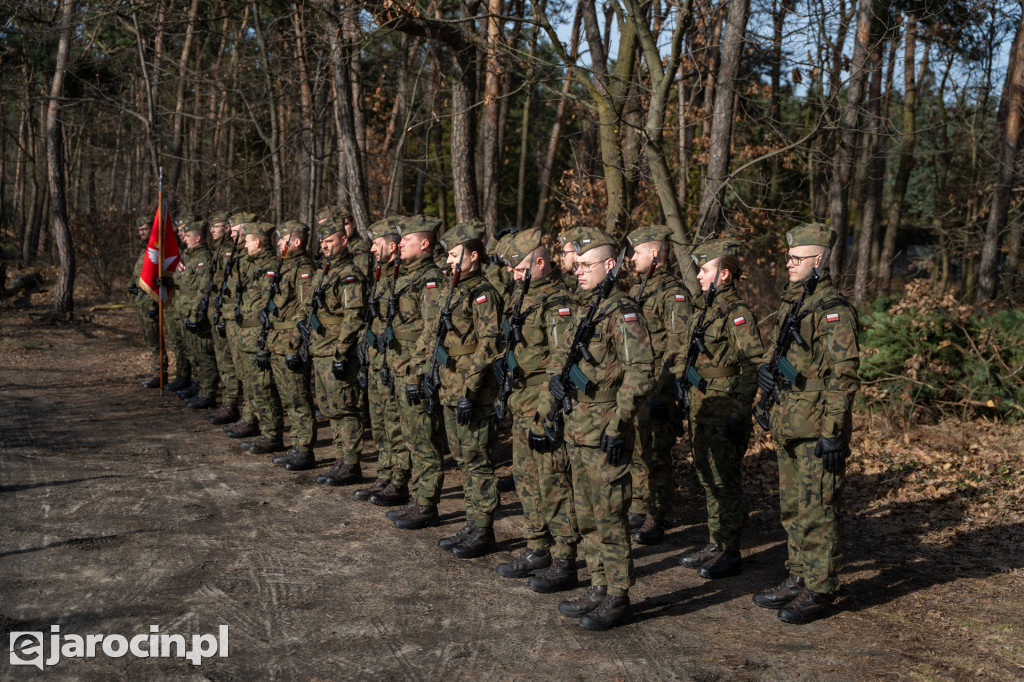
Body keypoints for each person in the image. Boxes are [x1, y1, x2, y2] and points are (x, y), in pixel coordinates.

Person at [539, 228, 654, 631]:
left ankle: (619, 596)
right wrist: (556, 383)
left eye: (587, 265)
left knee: (610, 516)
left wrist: (619, 425)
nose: (579, 271)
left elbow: (640, 372)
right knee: (586, 515)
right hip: (578, 425)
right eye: (577, 265)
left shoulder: (623, 312)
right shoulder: (586, 308)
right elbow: (562, 354)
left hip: (605, 426)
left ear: (609, 265)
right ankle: (598, 585)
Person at [752, 223, 859, 625]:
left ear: (820, 259)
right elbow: (775, 350)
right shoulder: (794, 303)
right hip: (790, 421)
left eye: (797, 258)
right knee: (793, 509)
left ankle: (820, 587)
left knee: (818, 510)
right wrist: (766, 371)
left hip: (817, 427)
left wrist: (833, 433)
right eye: (789, 256)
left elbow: (844, 376)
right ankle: (798, 575)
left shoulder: (834, 310)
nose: (789, 263)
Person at [492, 229, 579, 592]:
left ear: (540, 263)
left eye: (518, 268)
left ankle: (565, 559)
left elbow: (559, 363)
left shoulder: (558, 304)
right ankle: (537, 547)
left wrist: (546, 412)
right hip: (521, 401)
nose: (512, 275)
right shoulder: (524, 295)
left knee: (553, 483)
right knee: (526, 480)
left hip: (543, 406)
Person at [411, 221, 504, 558]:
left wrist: (470, 391)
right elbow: (433, 336)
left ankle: (484, 529)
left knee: (478, 461)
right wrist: (421, 374)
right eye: (448, 255)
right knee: (464, 460)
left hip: (471, 392)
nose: (449, 261)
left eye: (454, 255)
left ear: (474, 255)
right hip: (448, 386)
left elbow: (489, 344)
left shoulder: (483, 293)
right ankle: (471, 523)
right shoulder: (452, 289)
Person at [673, 239, 763, 580]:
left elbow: (751, 365)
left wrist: (740, 412)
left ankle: (730, 548)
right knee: (707, 477)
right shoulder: (704, 310)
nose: (698, 275)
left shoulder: (738, 313)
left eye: (705, 270)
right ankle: (715, 541)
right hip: (701, 405)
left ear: (724, 274)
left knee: (725, 481)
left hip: (724, 407)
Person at [624, 225, 693, 545]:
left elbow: (679, 343)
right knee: (638, 449)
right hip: (636, 383)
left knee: (657, 453)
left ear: (654, 253)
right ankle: (640, 505)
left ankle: (657, 514)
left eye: (636, 252)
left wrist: (667, 388)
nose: (631, 258)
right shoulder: (638, 290)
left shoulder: (673, 293)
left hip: (658, 386)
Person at [385, 215, 448, 529]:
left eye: (407, 240)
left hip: (417, 369)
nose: (400, 245)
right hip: (401, 365)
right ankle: (417, 497)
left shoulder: (430, 279)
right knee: (410, 437)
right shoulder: (406, 274)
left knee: (424, 440)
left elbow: (431, 331)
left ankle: (427, 505)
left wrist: (418, 372)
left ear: (424, 244)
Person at [303, 216, 368, 484]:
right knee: (330, 408)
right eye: (322, 241)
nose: (325, 245)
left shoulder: (349, 273)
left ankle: (351, 464)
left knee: (345, 409)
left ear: (344, 240)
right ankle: (340, 459)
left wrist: (341, 352)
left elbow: (354, 316)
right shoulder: (324, 271)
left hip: (337, 351)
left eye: (330, 241)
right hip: (320, 349)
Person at [351, 216, 410, 498]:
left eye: (377, 244)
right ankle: (384, 474)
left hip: (396, 362)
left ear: (392, 245)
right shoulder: (383, 274)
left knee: (395, 426)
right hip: (378, 361)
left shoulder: (405, 277)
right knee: (380, 424)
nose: (372, 249)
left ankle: (399, 481)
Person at [262, 221, 318, 470]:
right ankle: (296, 445)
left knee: (298, 398)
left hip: (290, 341)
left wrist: (295, 345)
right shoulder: (283, 266)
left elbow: (305, 310)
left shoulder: (303, 268)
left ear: (296, 242)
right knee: (287, 398)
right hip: (277, 339)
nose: (279, 244)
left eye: (283, 239)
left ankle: (304, 449)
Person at [235, 222, 286, 455]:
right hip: (247, 335)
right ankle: (265, 431)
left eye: (247, 241)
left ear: (257, 242)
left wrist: (263, 341)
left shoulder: (270, 266)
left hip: (259, 336)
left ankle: (272, 434)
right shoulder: (252, 264)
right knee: (254, 386)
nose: (244, 245)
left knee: (264, 387)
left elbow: (268, 305)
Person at [221, 213, 262, 440]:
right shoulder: (237, 256)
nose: (233, 236)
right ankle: (247, 416)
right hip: (237, 319)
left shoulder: (252, 260)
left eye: (237, 232)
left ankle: (251, 418)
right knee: (241, 371)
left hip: (250, 324)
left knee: (250, 376)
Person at [203, 212, 243, 425]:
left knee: (231, 362)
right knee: (224, 361)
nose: (212, 230)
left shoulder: (232, 249)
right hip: (220, 309)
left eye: (216, 226)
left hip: (230, 312)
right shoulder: (219, 248)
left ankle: (233, 404)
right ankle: (229, 402)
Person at [178, 219, 219, 409]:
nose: (184, 239)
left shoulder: (203, 259)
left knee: (204, 354)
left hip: (198, 313)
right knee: (193, 353)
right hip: (187, 310)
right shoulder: (189, 256)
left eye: (188, 236)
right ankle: (200, 387)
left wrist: (195, 314)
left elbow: (203, 290)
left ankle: (208, 393)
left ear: (198, 238)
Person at [130, 216, 167, 387]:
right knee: (150, 340)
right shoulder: (145, 249)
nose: (141, 233)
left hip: (151, 301)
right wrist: (132, 284)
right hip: (142, 301)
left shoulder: (157, 249)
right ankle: (157, 373)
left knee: (156, 341)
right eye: (139, 230)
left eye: (144, 229)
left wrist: (153, 303)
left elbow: (158, 277)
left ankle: (161, 374)